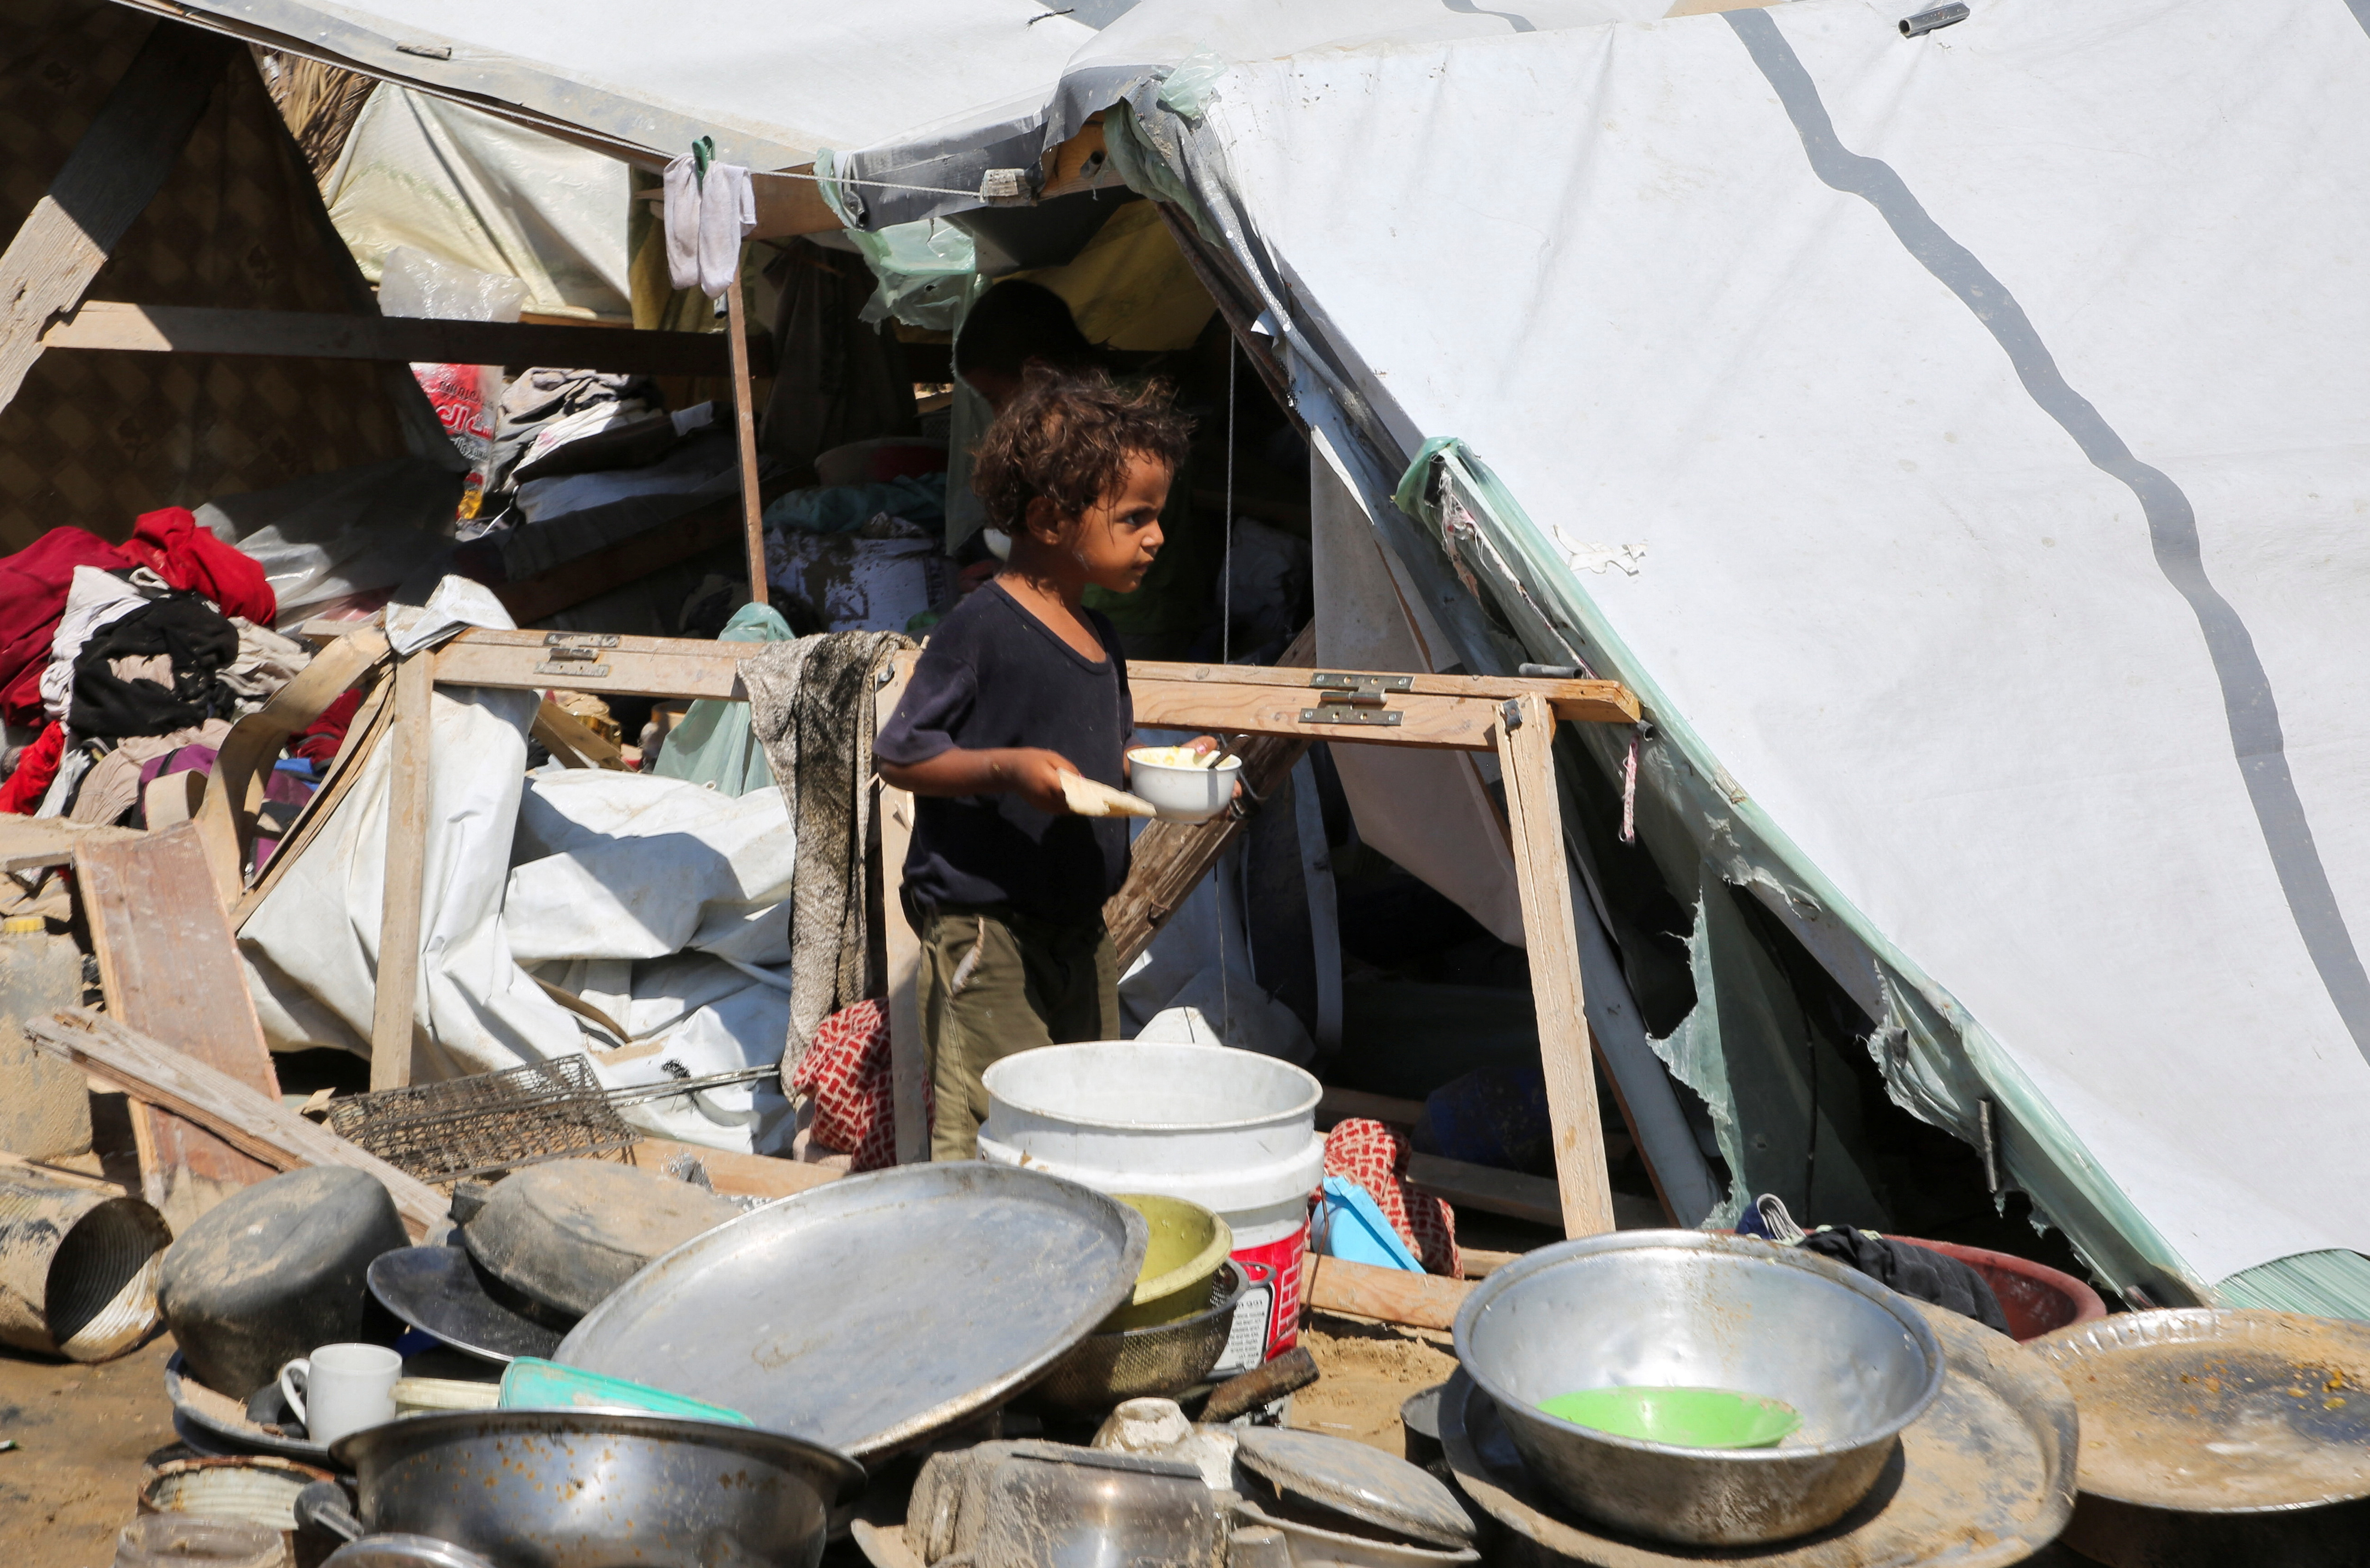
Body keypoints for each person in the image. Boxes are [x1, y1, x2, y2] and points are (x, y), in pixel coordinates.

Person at [876, 369, 1212, 1158]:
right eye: (1135, 518)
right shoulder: (982, 628)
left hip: (1078, 932)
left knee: (1079, 1119)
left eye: (1156, 517)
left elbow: (1099, 755)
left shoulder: (1100, 638)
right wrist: (1007, 770)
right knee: (998, 1125)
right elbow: (903, 751)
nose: (1156, 537)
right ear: (1050, 519)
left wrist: (1156, 764)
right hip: (989, 934)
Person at [954, 281, 1215, 660]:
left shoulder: (1103, 428)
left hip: (1127, 619)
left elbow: (1086, 534)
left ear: (1039, 373)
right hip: (1148, 612)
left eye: (996, 398)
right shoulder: (1124, 406)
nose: (999, 414)